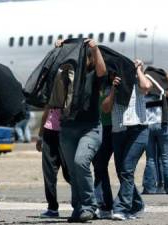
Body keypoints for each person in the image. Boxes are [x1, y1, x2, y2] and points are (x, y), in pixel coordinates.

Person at [58, 39, 107, 222]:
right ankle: (78, 207)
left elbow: (102, 71)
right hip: (67, 129)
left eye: (81, 58)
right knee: (73, 171)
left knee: (80, 163)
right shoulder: (66, 75)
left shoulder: (93, 74)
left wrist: (94, 49)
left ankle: (89, 205)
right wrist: (60, 50)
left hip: (90, 128)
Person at [102, 59, 152, 220]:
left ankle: (121, 208)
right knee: (121, 171)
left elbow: (146, 87)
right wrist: (113, 89)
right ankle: (136, 205)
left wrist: (138, 70)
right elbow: (106, 108)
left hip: (138, 129)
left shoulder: (137, 81)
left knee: (127, 169)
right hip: (119, 131)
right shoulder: (111, 87)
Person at [142, 67, 168, 195]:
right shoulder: (163, 89)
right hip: (162, 125)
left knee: (150, 158)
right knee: (166, 157)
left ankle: (150, 188)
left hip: (148, 126)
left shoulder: (144, 88)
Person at [36, 106, 70, 218]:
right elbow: (46, 110)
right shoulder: (52, 90)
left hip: (67, 131)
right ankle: (52, 208)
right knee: (49, 173)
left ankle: (84, 203)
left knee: (69, 174)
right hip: (49, 132)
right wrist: (40, 135)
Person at [92, 77, 114, 219]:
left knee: (123, 170)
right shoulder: (96, 83)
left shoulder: (114, 85)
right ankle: (103, 205)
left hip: (112, 128)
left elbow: (106, 108)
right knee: (99, 166)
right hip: (97, 127)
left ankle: (105, 205)